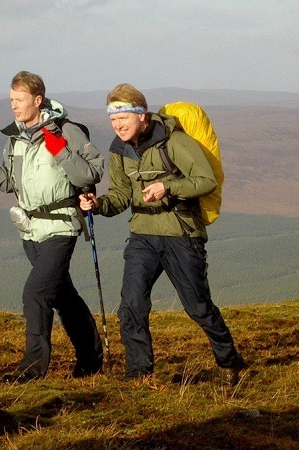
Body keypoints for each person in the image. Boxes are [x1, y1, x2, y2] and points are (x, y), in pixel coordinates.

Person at [79, 83, 246, 385]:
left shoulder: (174, 142)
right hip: (143, 234)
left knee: (197, 306)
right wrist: (97, 204)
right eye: (113, 120)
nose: (117, 126)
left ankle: (229, 360)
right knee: (131, 305)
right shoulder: (120, 150)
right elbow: (120, 196)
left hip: (180, 233)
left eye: (123, 119)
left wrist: (167, 187)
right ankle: (139, 373)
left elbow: (205, 179)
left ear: (142, 116)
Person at [0, 71, 104, 382]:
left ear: (38, 100)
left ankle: (31, 370)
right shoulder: (14, 137)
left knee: (35, 293)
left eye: (19, 100)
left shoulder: (67, 131)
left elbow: (91, 174)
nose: (14, 106)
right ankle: (91, 361)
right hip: (30, 230)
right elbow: (10, 184)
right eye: (11, 100)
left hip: (62, 225)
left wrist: (61, 151)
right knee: (61, 295)